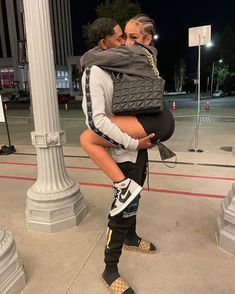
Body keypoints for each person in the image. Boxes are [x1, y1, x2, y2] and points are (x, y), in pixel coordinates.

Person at [80, 15, 175, 293]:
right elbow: (96, 121)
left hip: (138, 147)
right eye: (120, 37)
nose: (125, 43)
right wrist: (134, 144)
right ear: (103, 43)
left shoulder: (118, 66)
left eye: (128, 37)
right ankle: (110, 269)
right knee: (121, 211)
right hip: (123, 151)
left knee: (136, 199)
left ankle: (132, 238)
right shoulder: (94, 71)